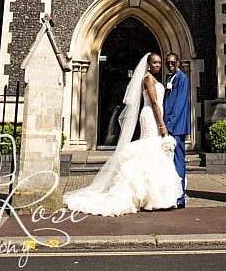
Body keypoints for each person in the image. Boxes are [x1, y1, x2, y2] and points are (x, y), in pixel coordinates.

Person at [63, 52, 182, 216]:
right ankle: (145, 196)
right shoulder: (148, 78)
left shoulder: (153, 78)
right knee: (150, 150)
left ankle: (153, 197)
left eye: (159, 63)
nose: (158, 65)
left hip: (155, 114)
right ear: (148, 64)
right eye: (155, 62)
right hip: (151, 116)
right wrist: (161, 124)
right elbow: (154, 102)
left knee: (152, 152)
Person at [162, 52, 191, 207]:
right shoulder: (169, 78)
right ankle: (172, 194)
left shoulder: (182, 78)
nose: (170, 65)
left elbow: (180, 104)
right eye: (168, 63)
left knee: (179, 161)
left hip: (176, 127)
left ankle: (180, 198)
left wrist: (170, 125)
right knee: (170, 162)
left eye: (173, 63)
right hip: (169, 125)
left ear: (178, 63)